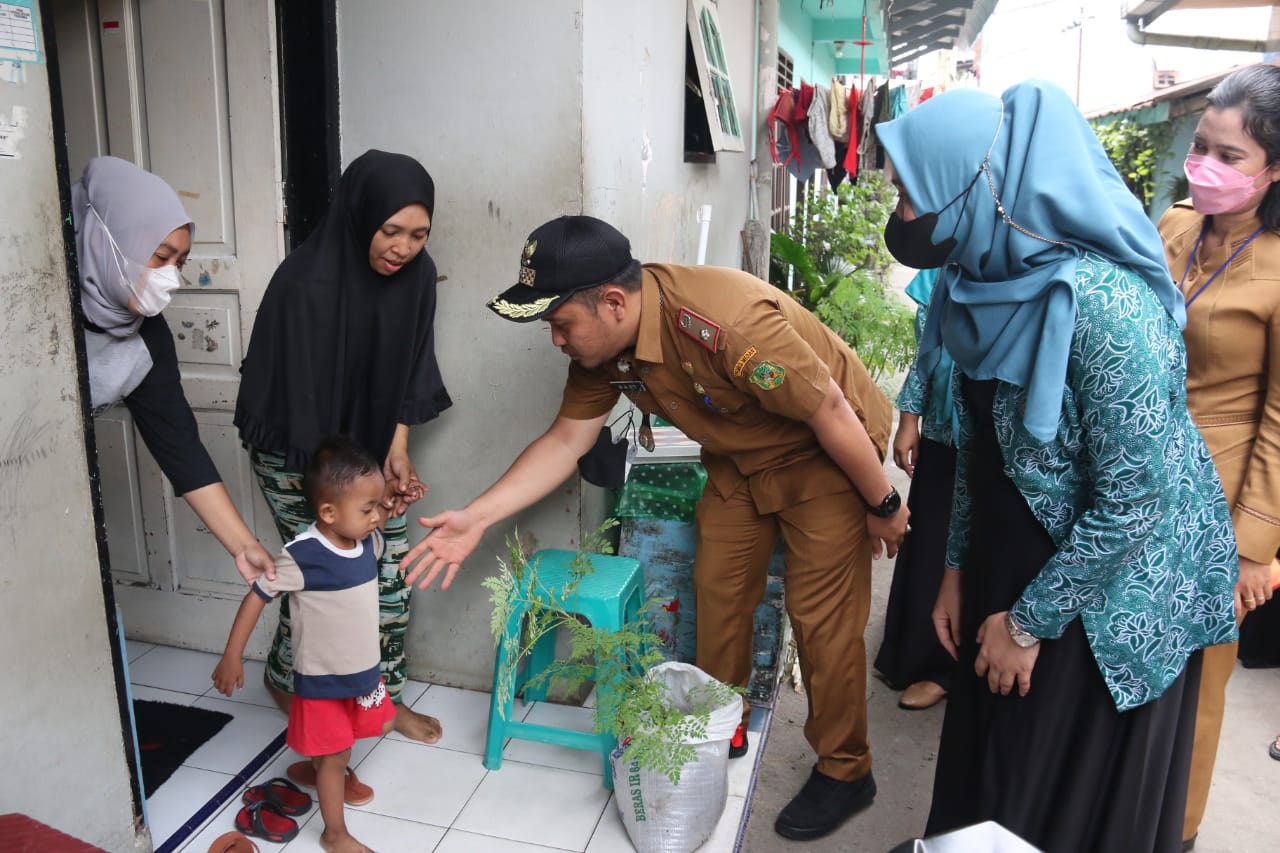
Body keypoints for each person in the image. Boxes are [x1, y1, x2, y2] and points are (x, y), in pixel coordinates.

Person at [401, 214, 909, 841]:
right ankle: (722, 721)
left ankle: (845, 770)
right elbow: (565, 442)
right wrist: (477, 517)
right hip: (741, 459)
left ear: (613, 302)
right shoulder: (603, 350)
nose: (555, 340)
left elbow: (829, 408)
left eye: (561, 323)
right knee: (719, 590)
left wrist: (885, 502)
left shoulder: (726, 323)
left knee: (820, 619)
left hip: (826, 453)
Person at [876, 80, 1237, 852]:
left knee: (1047, 794)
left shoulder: (1107, 307)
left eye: (910, 197)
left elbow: (1137, 498)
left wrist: (1027, 622)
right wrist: (955, 569)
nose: (902, 217)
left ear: (979, 188)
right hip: (1012, 566)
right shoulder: (976, 281)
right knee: (989, 775)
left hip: (1099, 597)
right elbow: (977, 443)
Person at [234, 150, 452, 745]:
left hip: (364, 455)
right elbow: (301, 404)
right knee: (326, 577)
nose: (403, 248)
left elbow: (411, 369)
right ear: (361, 216)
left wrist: (395, 453)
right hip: (297, 454)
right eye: (391, 231)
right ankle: (304, 689)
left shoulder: (418, 277)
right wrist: (361, 490)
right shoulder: (304, 284)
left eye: (419, 235)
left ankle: (381, 698)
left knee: (391, 576)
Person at [1155, 63, 1280, 849]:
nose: (1204, 165)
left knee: (1198, 681)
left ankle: (1179, 829)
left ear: (1274, 170)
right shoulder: (1173, 226)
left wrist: (1255, 548)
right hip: (1135, 482)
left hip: (1218, 504)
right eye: (1200, 146)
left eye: (1229, 156)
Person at [71, 156, 274, 585]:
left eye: (178, 263)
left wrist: (243, 546)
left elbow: (180, 446)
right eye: (160, 256)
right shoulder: (35, 311)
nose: (170, 279)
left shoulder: (147, 338)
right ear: (106, 242)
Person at [213, 437, 395, 853]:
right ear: (328, 512)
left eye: (377, 506)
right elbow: (257, 596)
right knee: (336, 754)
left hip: (363, 674)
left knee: (372, 728)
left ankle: (321, 770)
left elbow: (376, 523)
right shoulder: (303, 556)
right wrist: (231, 656)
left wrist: (389, 504)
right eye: (368, 508)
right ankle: (334, 833)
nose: (376, 516)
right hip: (323, 682)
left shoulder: (368, 541)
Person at [874, 267, 957, 711]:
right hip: (945, 430)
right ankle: (927, 659)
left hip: (1007, 439)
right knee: (932, 539)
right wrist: (909, 419)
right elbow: (929, 346)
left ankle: (955, 666)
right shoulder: (945, 267)